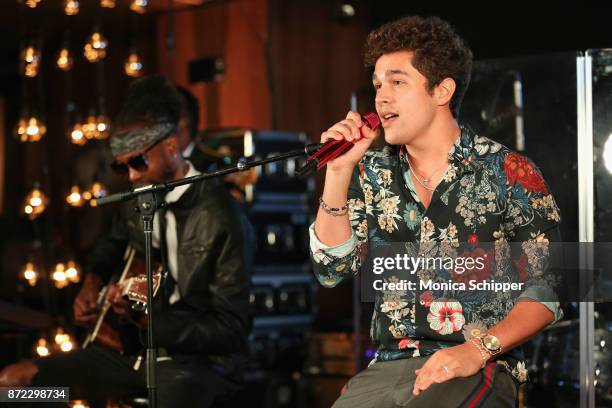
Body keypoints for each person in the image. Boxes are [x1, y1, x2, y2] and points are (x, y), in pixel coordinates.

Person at [309, 16, 562, 407]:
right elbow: (330, 271)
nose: (381, 97)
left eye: (397, 81)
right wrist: (338, 173)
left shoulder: (508, 172)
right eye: (378, 85)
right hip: (387, 367)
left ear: (442, 91)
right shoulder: (370, 173)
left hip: (481, 363)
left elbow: (550, 288)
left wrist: (476, 351)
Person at [0, 75, 254, 407]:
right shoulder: (138, 200)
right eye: (123, 167)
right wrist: (92, 283)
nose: (132, 176)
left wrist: (153, 324)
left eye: (138, 162)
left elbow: (232, 328)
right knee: (15, 387)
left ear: (172, 148)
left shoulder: (221, 216)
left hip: (195, 367)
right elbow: (110, 245)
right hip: (125, 357)